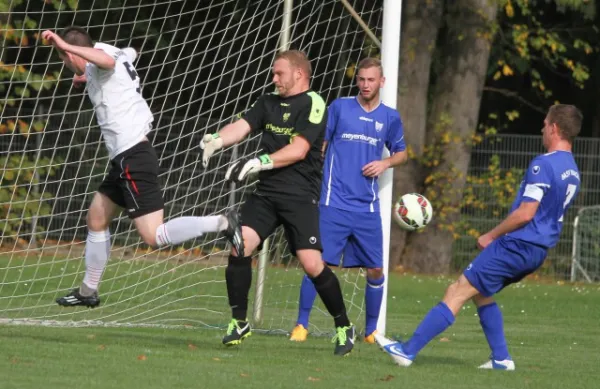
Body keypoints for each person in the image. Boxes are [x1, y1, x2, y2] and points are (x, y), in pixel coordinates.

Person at [42, 26, 243, 307]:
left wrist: (67, 47)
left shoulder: (103, 58)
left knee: (153, 234)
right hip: (124, 158)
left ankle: (222, 222)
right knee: (97, 219)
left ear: (72, 52)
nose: (65, 64)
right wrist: (82, 75)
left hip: (133, 157)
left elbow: (107, 62)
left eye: (64, 57)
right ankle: (88, 292)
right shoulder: (112, 51)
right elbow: (126, 55)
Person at [376, 104, 582, 370]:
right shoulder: (573, 170)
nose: (542, 128)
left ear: (554, 128)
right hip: (537, 251)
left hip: (518, 245)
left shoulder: (543, 165)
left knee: (457, 290)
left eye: (544, 123)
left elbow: (526, 213)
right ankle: (501, 359)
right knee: (481, 293)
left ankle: (407, 351)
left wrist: (491, 235)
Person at [201, 50, 355, 356]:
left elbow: (298, 150)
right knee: (239, 245)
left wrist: (259, 161)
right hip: (267, 194)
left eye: (279, 73)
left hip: (300, 196)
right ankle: (239, 322)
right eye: (273, 73)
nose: (274, 78)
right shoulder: (268, 101)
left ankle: (343, 326)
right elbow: (242, 126)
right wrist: (217, 139)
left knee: (311, 263)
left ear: (298, 74)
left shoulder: (314, 103)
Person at [288, 58, 407, 344]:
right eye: (361, 79)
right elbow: (321, 145)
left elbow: (402, 153)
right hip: (333, 203)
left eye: (371, 80)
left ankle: (370, 332)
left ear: (382, 82)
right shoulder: (339, 108)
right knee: (315, 262)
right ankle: (301, 325)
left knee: (376, 268)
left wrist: (385, 163)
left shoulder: (389, 117)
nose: (365, 85)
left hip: (366, 207)